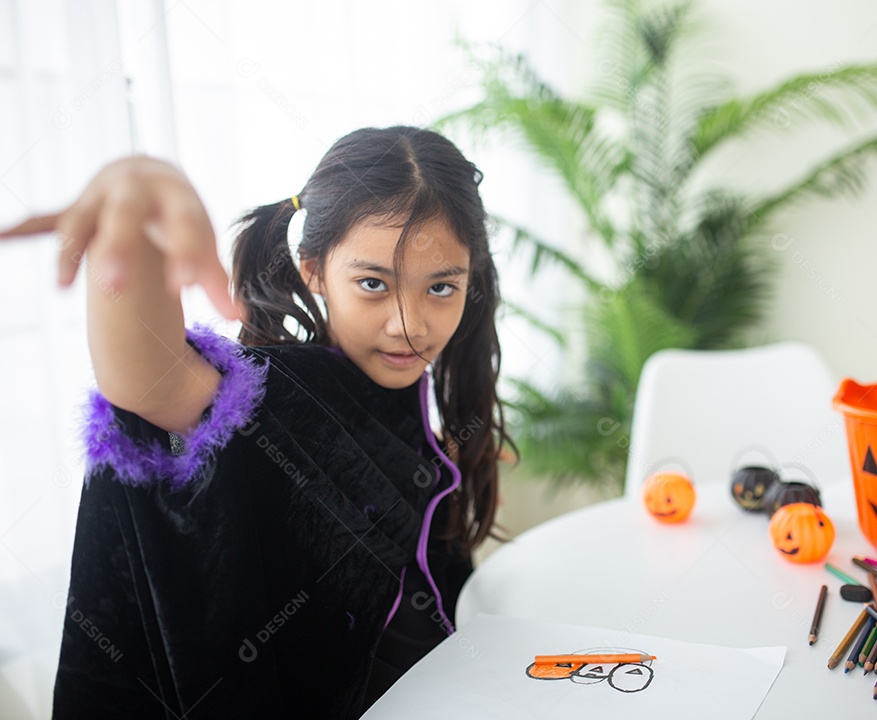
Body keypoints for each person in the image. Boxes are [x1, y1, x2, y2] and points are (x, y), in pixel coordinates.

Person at [0, 126, 510, 718]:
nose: (410, 325)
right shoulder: (275, 399)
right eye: (373, 283)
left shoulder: (417, 412)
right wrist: (140, 195)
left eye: (441, 287)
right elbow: (151, 383)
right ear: (314, 270)